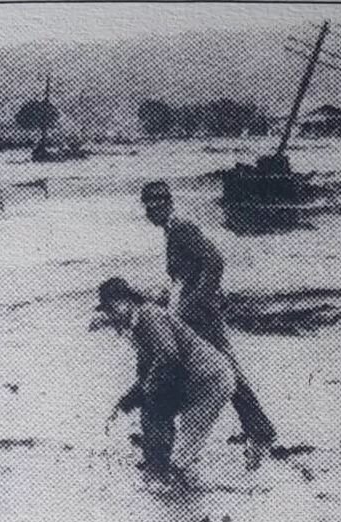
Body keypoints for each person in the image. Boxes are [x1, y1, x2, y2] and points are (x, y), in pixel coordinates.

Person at [140, 180, 276, 467]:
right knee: (223, 371)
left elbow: (214, 261)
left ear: (168, 204)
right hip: (193, 313)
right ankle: (255, 428)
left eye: (157, 205)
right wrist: (170, 295)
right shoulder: (172, 231)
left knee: (226, 373)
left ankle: (258, 429)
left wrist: (195, 301)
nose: (152, 211)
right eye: (148, 206)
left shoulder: (181, 228)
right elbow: (191, 271)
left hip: (201, 316)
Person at [91, 277, 236, 480]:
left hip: (211, 380)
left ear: (126, 301)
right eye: (107, 310)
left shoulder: (150, 316)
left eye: (112, 307)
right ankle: (156, 463)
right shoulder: (136, 326)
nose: (110, 314)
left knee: (186, 444)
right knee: (153, 408)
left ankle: (169, 475)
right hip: (189, 377)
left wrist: (149, 388)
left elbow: (168, 356)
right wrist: (127, 401)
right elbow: (146, 373)